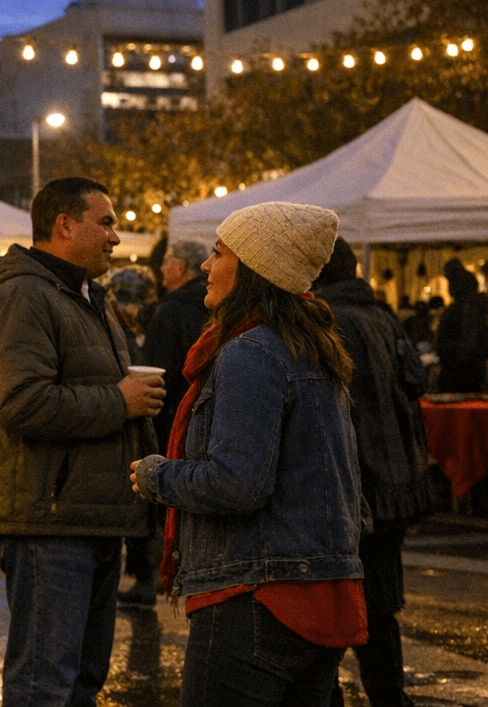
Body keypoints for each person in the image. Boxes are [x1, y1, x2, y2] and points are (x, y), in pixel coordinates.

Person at [132, 202, 366, 705]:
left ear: (254, 270)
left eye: (218, 253)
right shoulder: (311, 347)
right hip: (318, 589)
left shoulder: (251, 352)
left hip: (256, 594)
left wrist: (157, 477)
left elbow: (237, 483)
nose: (204, 267)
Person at [0, 176, 162, 707]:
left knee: (81, 680)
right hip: (47, 521)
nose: (116, 237)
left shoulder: (83, 297)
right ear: (64, 225)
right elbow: (21, 403)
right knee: (44, 684)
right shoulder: (23, 296)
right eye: (106, 222)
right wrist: (119, 402)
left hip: (90, 516)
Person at [316, 236, 438, 707]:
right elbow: (416, 383)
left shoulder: (327, 320)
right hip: (397, 484)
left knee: (333, 607)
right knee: (379, 607)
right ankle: (391, 700)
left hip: (354, 486)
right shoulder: (384, 318)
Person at [120, 239, 209, 608]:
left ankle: (150, 578)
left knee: (153, 494)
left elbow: (158, 369)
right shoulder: (212, 305)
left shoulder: (171, 311)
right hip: (202, 414)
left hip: (168, 416)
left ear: (182, 268)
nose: (161, 268)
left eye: (168, 261)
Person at [435, 258, 488, 393]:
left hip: (459, 374)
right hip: (474, 372)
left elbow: (467, 344)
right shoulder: (477, 309)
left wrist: (453, 362)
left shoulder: (461, 311)